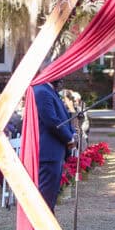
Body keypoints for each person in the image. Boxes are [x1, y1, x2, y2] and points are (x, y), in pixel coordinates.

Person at [32, 80, 76, 210]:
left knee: (50, 198)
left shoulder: (50, 91)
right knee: (45, 199)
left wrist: (72, 133)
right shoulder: (42, 91)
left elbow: (64, 118)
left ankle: (47, 228)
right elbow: (51, 120)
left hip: (55, 152)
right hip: (48, 153)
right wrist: (69, 138)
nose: (63, 78)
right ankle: (42, 229)